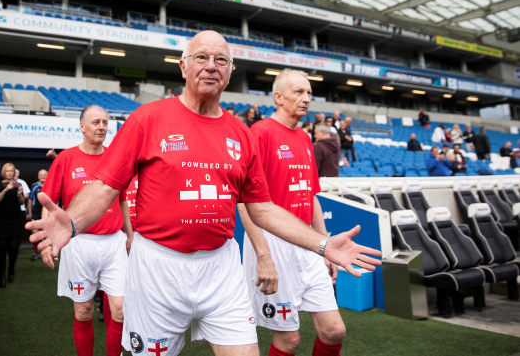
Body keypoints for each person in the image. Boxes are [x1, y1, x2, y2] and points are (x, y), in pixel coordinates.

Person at [27, 30, 381, 356]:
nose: (211, 66)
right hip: (158, 267)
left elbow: (263, 208)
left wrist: (322, 243)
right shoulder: (147, 119)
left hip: (220, 267)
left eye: (221, 60)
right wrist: (71, 222)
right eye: (201, 57)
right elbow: (105, 187)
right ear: (183, 66)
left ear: (229, 72)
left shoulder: (242, 135)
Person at [239, 69, 346, 356]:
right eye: (298, 92)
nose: (306, 98)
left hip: (308, 243)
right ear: (278, 97)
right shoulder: (260, 132)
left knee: (334, 331)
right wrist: (263, 255)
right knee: (289, 341)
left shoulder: (304, 138)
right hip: (273, 243)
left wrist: (326, 246)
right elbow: (244, 200)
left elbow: (310, 196)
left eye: (309, 93)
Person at [40, 105, 133, 356]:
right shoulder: (65, 159)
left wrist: (130, 235)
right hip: (78, 243)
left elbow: (123, 199)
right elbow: (48, 203)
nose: (102, 126)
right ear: (82, 126)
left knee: (121, 311)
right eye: (95, 122)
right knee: (83, 312)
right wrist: (48, 241)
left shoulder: (116, 158)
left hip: (113, 242)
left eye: (105, 122)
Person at [0, 162, 25, 288]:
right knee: (2, 248)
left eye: (11, 171)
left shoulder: (18, 185)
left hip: (15, 220)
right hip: (1, 220)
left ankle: (11, 268)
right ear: (4, 172)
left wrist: (19, 193)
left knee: (13, 247)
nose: (9, 173)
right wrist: (6, 189)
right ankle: (1, 276)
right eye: (7, 171)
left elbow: (22, 201)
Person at [28, 169, 47, 261]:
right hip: (36, 211)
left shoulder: (50, 184)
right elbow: (30, 199)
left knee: (46, 232)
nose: (43, 176)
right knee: (35, 231)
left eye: (45, 175)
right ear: (38, 176)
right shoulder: (34, 186)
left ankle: (45, 252)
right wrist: (30, 212)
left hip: (46, 211)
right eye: (41, 175)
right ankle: (35, 252)